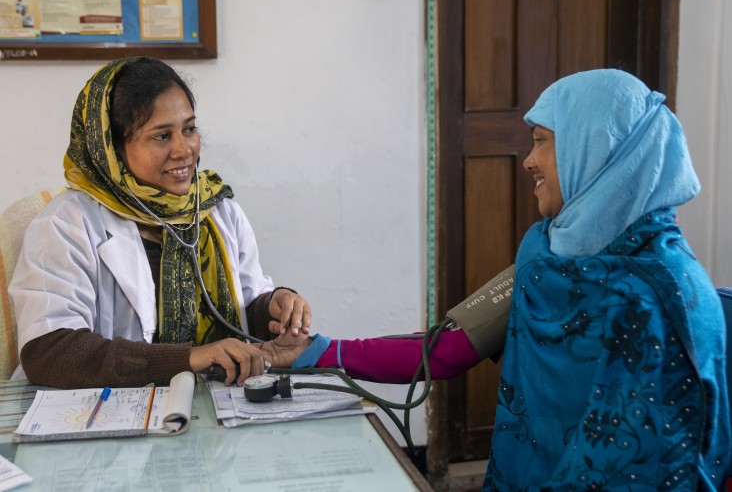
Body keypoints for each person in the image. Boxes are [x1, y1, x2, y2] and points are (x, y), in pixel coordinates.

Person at [291, 69, 731, 490]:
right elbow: (447, 348)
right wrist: (319, 351)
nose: (528, 161)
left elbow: (630, 470)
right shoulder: (545, 255)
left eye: (541, 142)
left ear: (593, 147)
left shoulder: (657, 299)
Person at [10, 56, 311, 389]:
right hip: (103, 416)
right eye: (161, 136)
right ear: (110, 147)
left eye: (189, 129)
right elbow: (50, 353)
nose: (184, 150)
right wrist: (190, 359)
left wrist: (274, 311)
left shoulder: (216, 210)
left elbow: (243, 307)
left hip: (216, 406)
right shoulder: (66, 224)